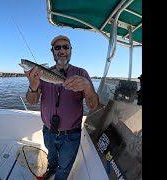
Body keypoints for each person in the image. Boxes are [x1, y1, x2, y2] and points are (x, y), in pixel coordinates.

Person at [24, 35, 99, 180]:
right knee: (52, 160)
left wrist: (88, 89)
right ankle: (51, 170)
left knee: (64, 168)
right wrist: (33, 87)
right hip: (48, 131)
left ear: (71, 51)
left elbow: (93, 105)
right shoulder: (41, 73)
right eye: (57, 47)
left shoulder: (81, 73)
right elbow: (32, 101)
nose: (62, 50)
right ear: (52, 51)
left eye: (66, 47)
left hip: (71, 135)